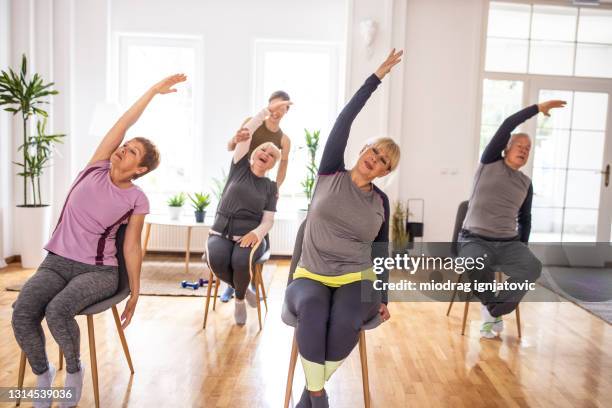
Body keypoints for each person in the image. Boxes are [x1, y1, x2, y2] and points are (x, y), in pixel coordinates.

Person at [11, 74, 186, 407]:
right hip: (57, 262)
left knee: (57, 312)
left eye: (132, 150)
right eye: (125, 145)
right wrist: (151, 90)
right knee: (22, 311)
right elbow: (122, 123)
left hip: (97, 271)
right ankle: (43, 372)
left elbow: (131, 247)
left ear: (141, 168)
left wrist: (135, 292)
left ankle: (74, 371)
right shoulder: (95, 167)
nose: (123, 149)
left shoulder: (136, 198)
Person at [283, 49, 402, 408]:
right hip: (310, 275)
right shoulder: (330, 171)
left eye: (383, 161)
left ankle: (311, 394)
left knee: (348, 319)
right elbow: (344, 119)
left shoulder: (380, 202)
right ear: (364, 148)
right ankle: (318, 397)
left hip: (355, 277)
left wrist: (383, 296)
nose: (375, 159)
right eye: (375, 150)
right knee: (314, 312)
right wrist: (375, 78)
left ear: (385, 172)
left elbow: (381, 254)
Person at [459, 99, 566, 338]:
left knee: (532, 266)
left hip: (508, 243)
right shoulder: (489, 162)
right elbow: (508, 123)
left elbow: (525, 219)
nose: (524, 150)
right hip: (474, 239)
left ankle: (494, 309)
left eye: (528, 148)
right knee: (476, 262)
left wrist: (522, 248)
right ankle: (492, 311)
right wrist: (537, 109)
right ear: (506, 148)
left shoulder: (525, 183)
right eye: (519, 145)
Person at [207, 99, 291, 325]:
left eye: (272, 155)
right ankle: (241, 288)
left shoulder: (270, 187)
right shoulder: (239, 166)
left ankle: (239, 300)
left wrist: (256, 234)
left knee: (241, 262)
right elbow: (248, 131)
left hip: (251, 235)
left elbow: (268, 220)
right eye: (263, 149)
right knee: (217, 260)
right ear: (254, 153)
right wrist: (267, 111)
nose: (267, 153)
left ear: (272, 164)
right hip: (221, 231)